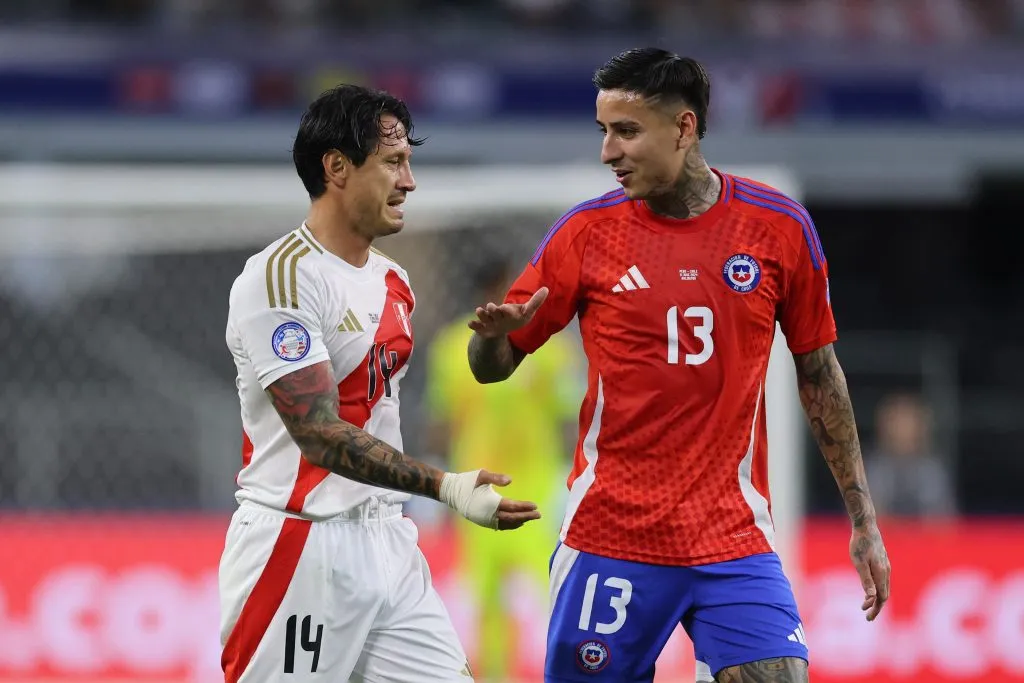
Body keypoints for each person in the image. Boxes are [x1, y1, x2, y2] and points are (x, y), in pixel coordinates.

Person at [466, 48, 891, 683]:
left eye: (627, 132)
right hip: (613, 536)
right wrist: (493, 339)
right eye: (604, 132)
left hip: (732, 536)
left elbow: (820, 376)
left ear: (685, 128)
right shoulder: (585, 235)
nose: (609, 151)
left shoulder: (777, 227)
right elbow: (491, 366)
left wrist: (864, 522)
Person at [219, 84, 540, 683]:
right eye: (393, 162)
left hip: (389, 541)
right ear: (336, 167)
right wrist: (446, 486)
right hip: (300, 547)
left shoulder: (395, 281)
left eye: (409, 163)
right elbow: (317, 433)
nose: (409, 181)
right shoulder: (280, 279)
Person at [425, 257, 582, 679]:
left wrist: (573, 473)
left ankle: (564, 669)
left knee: (552, 587)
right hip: (475, 486)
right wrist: (437, 477)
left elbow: (568, 414)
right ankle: (495, 676)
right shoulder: (451, 348)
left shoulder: (547, 348)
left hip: (536, 483)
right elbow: (443, 419)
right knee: (486, 595)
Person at [866, 392, 956, 518]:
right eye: (897, 423)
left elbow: (941, 521)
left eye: (908, 423)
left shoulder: (932, 469)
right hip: (883, 537)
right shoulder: (874, 467)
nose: (903, 430)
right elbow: (866, 520)